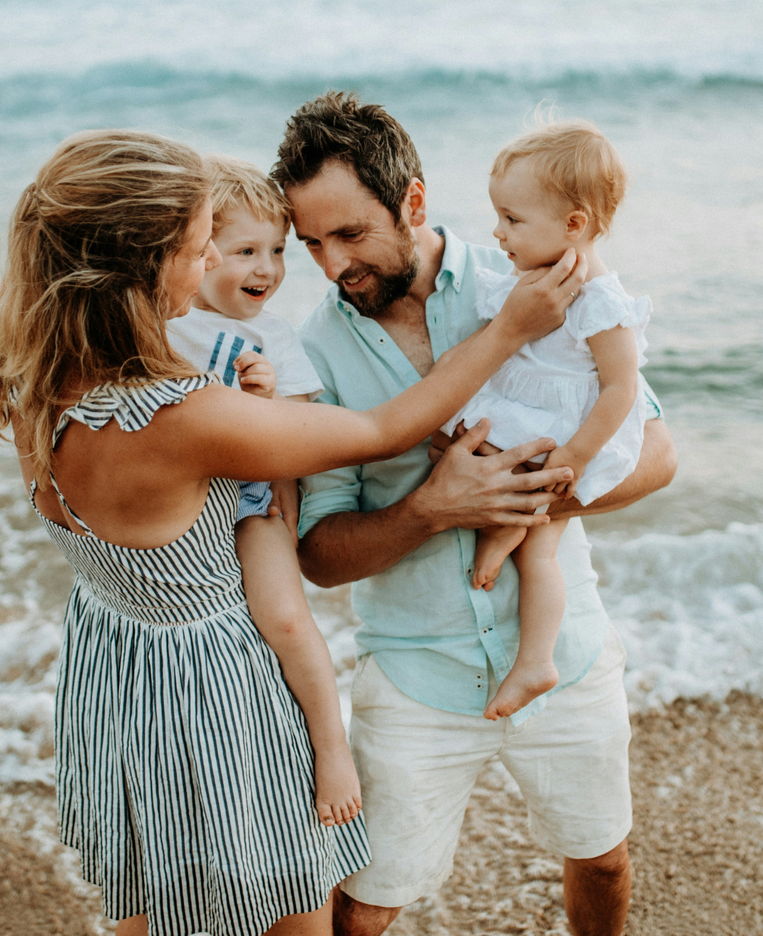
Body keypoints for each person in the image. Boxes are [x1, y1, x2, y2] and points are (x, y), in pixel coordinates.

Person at [0, 129, 589, 936]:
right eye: (198, 251)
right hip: (217, 679)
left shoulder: (34, 383)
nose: (207, 271)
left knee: (156, 892)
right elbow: (379, 429)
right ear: (144, 265)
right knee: (293, 909)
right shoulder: (183, 415)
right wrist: (508, 332)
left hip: (118, 662)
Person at [272, 93, 677, 936]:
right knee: (369, 902)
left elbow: (656, 451)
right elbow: (319, 554)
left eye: (349, 234)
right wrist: (433, 508)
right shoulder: (311, 350)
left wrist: (527, 496)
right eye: (309, 242)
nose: (330, 264)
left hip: (562, 649)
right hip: (416, 673)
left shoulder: (527, 276)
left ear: (412, 203)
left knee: (602, 857)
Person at [167, 154, 361, 827]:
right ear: (198, 251)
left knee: (281, 616)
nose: (268, 269)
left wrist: (266, 398)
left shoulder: (272, 336)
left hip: (252, 506)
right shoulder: (163, 324)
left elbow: (304, 428)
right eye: (246, 250)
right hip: (179, 507)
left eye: (278, 251)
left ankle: (331, 747)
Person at [439, 119, 652, 721]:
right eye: (498, 217)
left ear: (574, 225)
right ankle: (509, 529)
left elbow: (620, 387)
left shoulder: (602, 298)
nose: (497, 232)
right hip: (531, 415)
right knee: (463, 440)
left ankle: (535, 661)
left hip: (572, 432)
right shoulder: (533, 275)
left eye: (512, 219)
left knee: (541, 551)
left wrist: (576, 457)